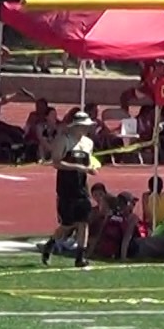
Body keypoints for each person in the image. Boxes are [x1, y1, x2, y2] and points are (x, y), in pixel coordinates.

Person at [39, 111, 99, 268]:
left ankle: (81, 256)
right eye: (83, 126)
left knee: (84, 222)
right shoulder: (63, 140)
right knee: (67, 225)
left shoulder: (88, 143)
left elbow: (89, 161)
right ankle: (51, 244)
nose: (86, 129)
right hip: (66, 188)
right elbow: (56, 162)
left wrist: (92, 167)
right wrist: (78, 167)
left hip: (82, 187)